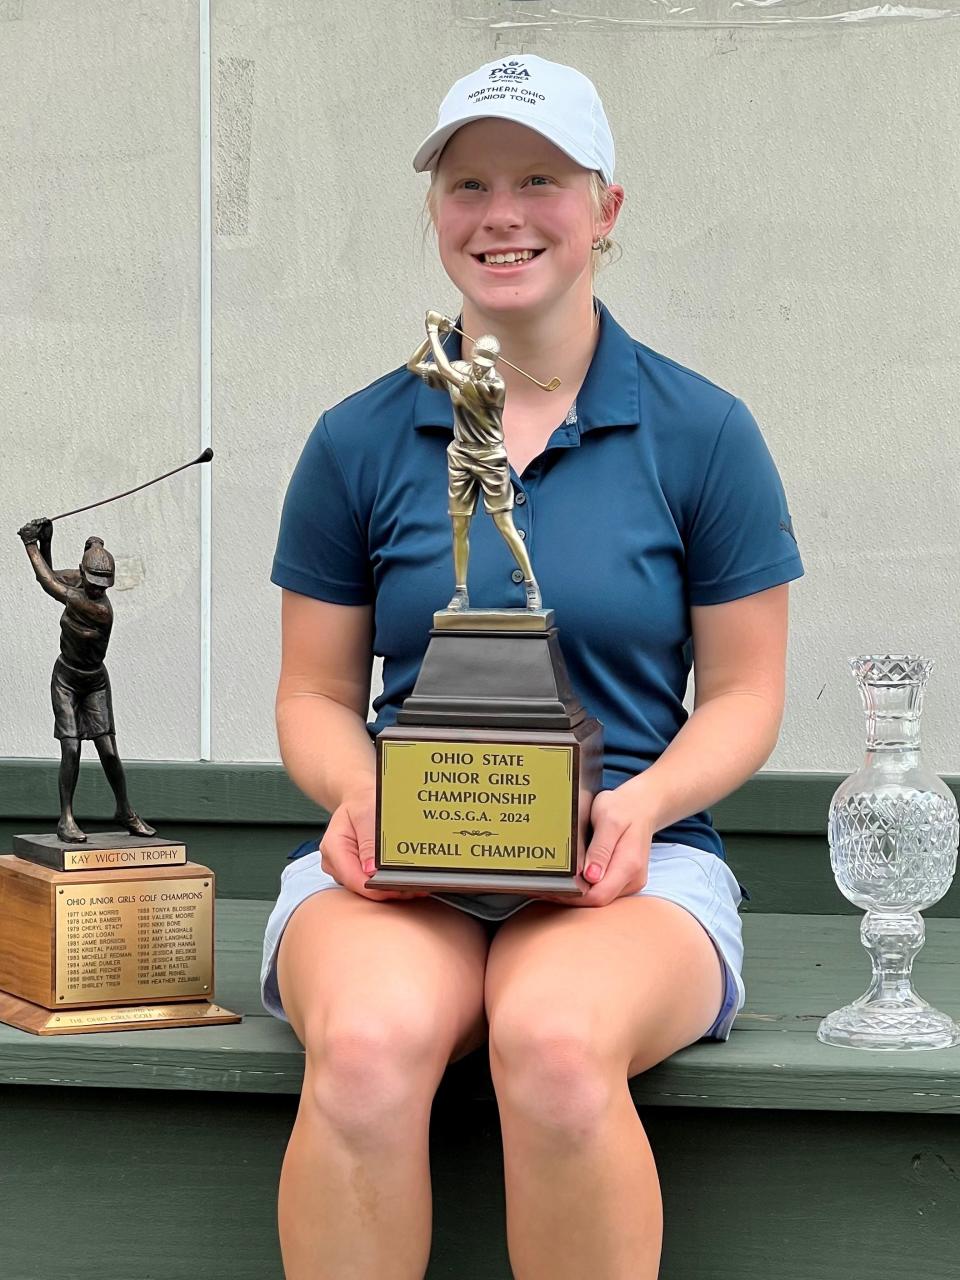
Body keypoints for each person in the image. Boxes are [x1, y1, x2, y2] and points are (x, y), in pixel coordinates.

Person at [262, 54, 803, 1280]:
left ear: (606, 207)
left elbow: (744, 693)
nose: (501, 214)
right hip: (407, 852)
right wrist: (360, 797)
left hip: (635, 859)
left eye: (541, 179)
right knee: (366, 1046)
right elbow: (311, 693)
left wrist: (640, 805)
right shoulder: (357, 436)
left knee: (556, 1042)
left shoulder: (703, 430)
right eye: (469, 184)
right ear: (438, 212)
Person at [17, 518, 156, 843]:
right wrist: (48, 540)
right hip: (66, 679)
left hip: (94, 683)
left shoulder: (99, 609)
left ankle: (125, 810)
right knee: (71, 748)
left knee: (108, 751)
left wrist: (30, 543)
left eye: (102, 586)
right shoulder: (78, 584)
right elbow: (52, 578)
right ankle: (66, 819)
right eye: (92, 582)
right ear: (84, 573)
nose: (96, 589)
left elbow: (49, 582)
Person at [406, 315, 541, 611]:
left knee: (504, 523)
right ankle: (460, 592)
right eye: (478, 360)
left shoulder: (493, 386)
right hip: (461, 455)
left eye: (486, 363)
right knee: (459, 525)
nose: (481, 367)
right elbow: (415, 366)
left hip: (490, 457)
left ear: (494, 364)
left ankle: (531, 585)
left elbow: (443, 368)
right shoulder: (461, 370)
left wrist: (430, 330)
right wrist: (437, 336)